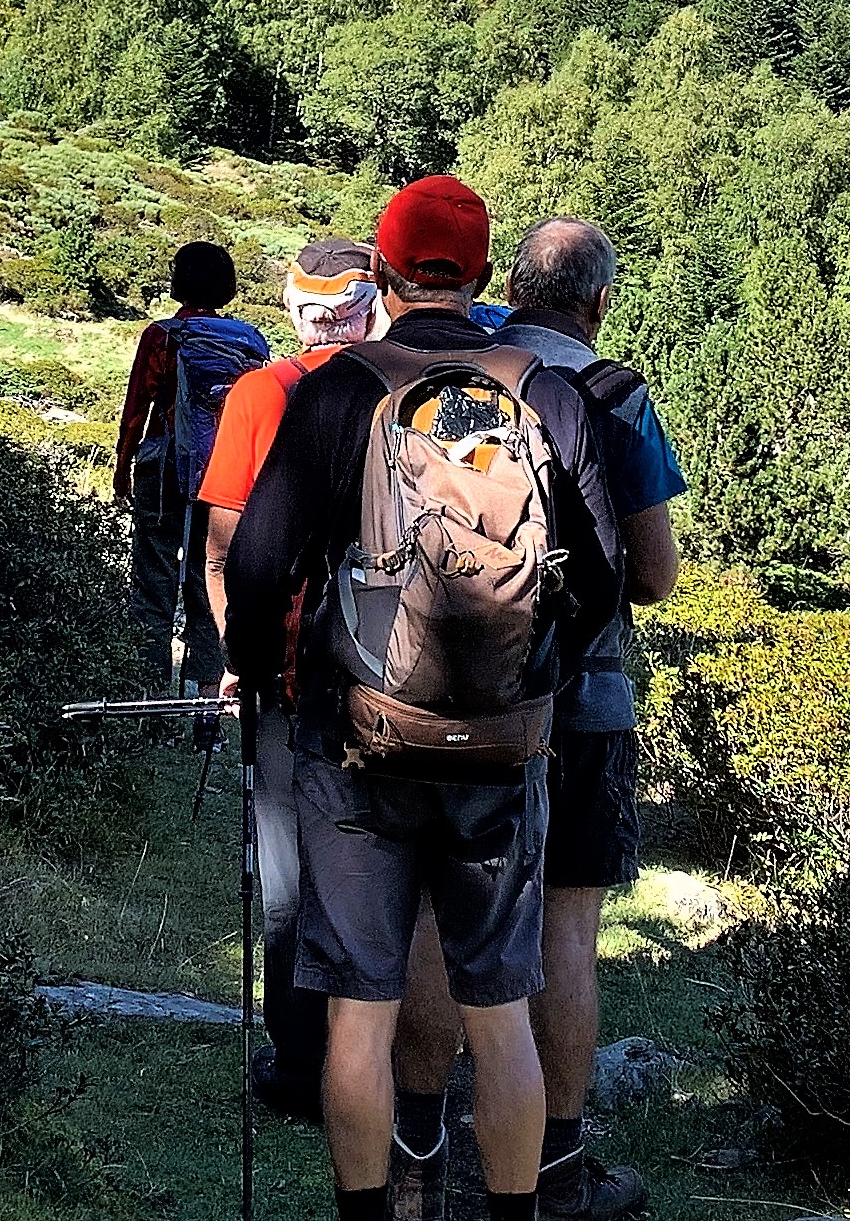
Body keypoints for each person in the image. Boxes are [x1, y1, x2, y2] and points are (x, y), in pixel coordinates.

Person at [227, 178, 628, 1221]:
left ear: (387, 275)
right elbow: (607, 576)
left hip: (357, 737)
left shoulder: (338, 387)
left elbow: (262, 561)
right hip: (504, 747)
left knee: (359, 1008)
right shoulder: (547, 390)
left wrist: (273, 678)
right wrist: (533, 678)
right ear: (485, 277)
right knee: (500, 1007)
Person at [386, 219, 682, 1218]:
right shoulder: (613, 392)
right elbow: (655, 572)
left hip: (445, 693)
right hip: (580, 704)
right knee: (566, 926)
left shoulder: (454, 373)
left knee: (434, 910)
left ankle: (417, 1146)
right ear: (598, 301)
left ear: (508, 285)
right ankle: (555, 1166)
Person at [199, 238, 384, 1122]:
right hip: (403, 681)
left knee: (287, 876)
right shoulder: (418, 383)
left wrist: (239, 660)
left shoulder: (262, 393)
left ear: (295, 304)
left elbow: (224, 550)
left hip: (285, 678)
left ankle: (301, 1061)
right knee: (389, 866)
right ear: (368, 300)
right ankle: (388, 1060)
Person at [116, 241, 269, 694]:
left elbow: (136, 409)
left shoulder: (161, 336)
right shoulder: (249, 340)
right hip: (225, 474)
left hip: (163, 471)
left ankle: (149, 703)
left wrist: (122, 468)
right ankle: (206, 708)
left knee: (152, 584)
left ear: (177, 283)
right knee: (209, 585)